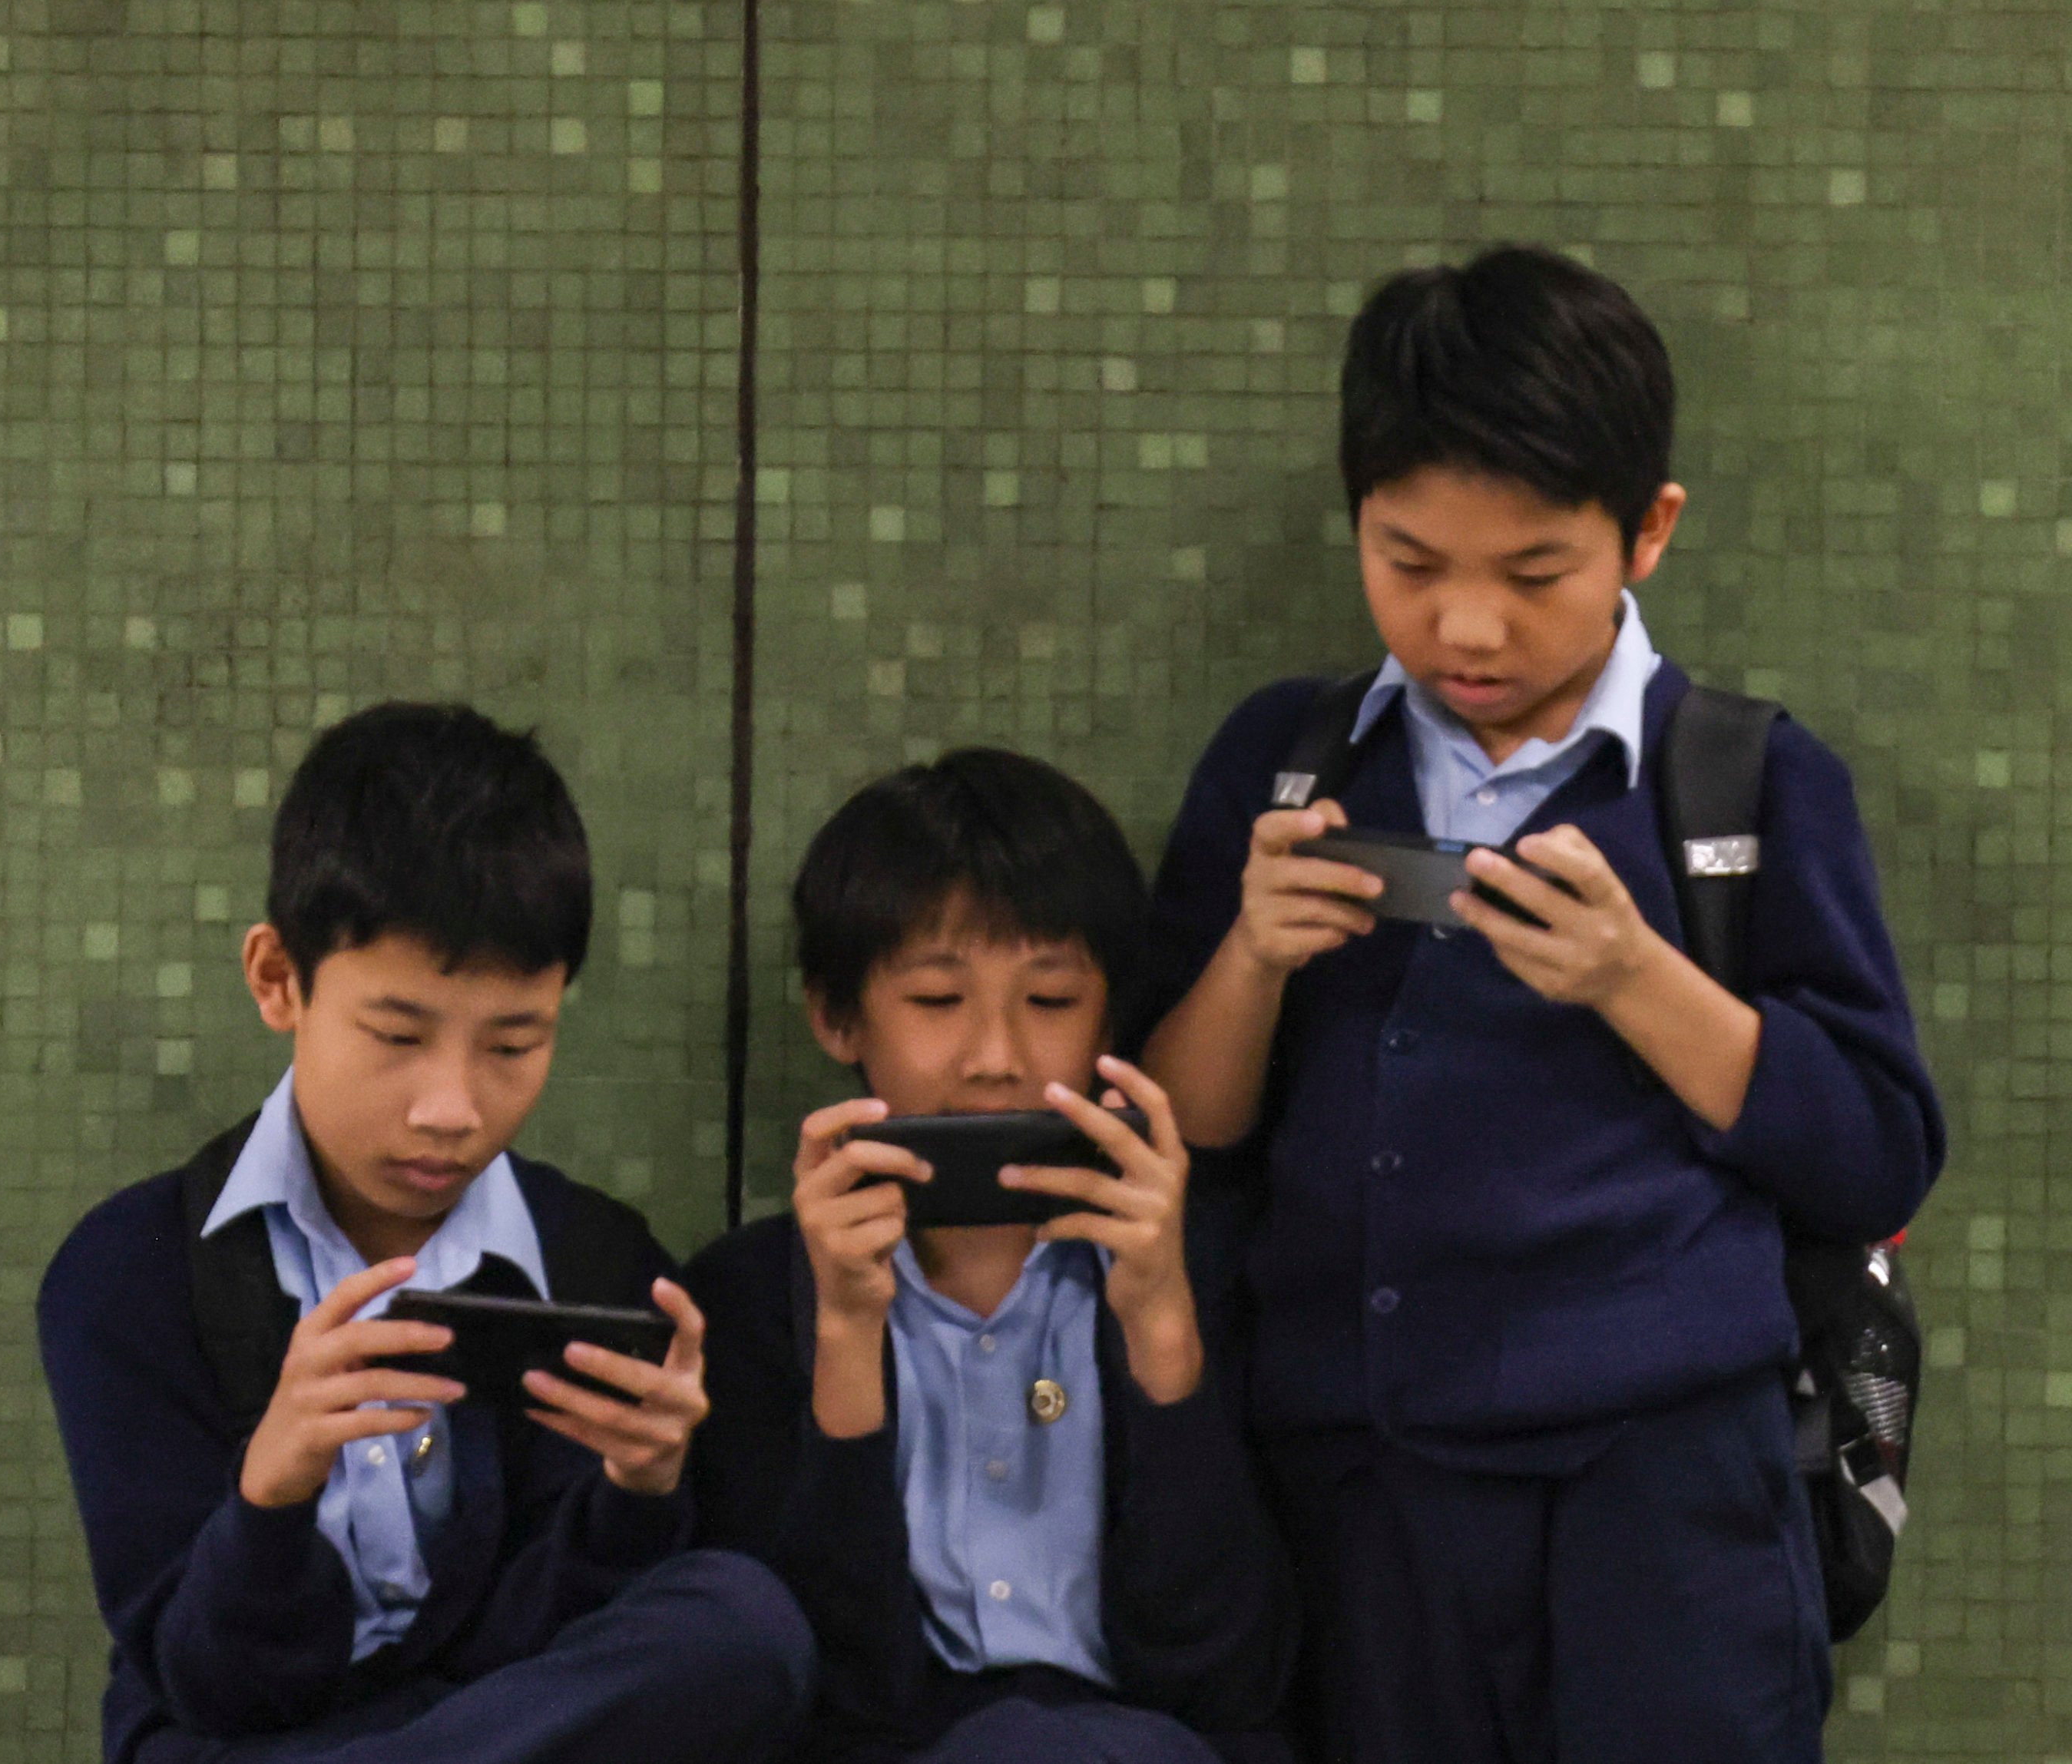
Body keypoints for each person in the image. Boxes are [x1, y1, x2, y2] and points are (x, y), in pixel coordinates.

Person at [1139, 246, 1948, 1764]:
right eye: (1408, 562)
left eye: (1530, 574)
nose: (1466, 630)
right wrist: (1250, 954)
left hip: (1666, 1491)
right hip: (1360, 1483)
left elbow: (1874, 1156)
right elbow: (1176, 1127)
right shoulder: (1290, 761)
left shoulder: (1746, 784)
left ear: (1646, 531)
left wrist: (1636, 977)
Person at [36, 702, 813, 1764]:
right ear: (278, 979)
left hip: (506, 1722)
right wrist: (271, 1490)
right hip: (244, 1737)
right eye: (397, 1035)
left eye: (514, 1041)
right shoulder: (126, 1274)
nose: (451, 1106)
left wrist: (639, 1495)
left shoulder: (596, 1258)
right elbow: (211, 1682)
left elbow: (555, 1649)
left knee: (743, 1621)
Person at [687, 748, 1293, 1764]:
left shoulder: (1212, 1273)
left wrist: (1162, 1331)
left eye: (1051, 1002)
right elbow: (817, 1685)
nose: (996, 1056)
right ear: (838, 1017)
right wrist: (844, 1336)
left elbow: (1232, 1679)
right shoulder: (746, 1301)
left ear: (1113, 1020)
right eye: (936, 1000)